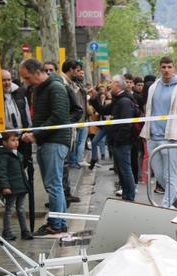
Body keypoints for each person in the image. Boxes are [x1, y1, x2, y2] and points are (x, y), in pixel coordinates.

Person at [18, 58, 70, 236]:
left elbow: (59, 118)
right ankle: (59, 222)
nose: (26, 82)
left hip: (54, 142)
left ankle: (56, 224)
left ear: (38, 73)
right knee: (54, 185)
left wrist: (35, 134)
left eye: (27, 78)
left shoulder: (55, 88)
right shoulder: (40, 89)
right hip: (47, 141)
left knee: (53, 184)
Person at [140, 57, 177, 208]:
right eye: (163, 67)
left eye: (169, 67)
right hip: (152, 137)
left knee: (171, 176)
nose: (166, 70)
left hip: (171, 139)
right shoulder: (153, 87)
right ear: (159, 68)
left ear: (174, 68)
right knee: (160, 175)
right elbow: (149, 110)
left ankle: (166, 207)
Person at [90, 75, 139, 201]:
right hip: (117, 141)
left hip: (122, 143)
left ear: (117, 85)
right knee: (122, 171)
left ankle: (130, 196)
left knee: (125, 170)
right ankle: (126, 195)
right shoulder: (118, 99)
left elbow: (126, 124)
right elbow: (103, 110)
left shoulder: (124, 101)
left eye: (111, 83)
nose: (109, 85)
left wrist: (118, 140)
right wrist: (94, 98)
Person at [2, 69, 35, 232]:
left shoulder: (19, 93)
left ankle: (24, 229)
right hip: (6, 135)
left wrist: (29, 130)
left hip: (21, 135)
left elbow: (26, 113)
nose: (7, 83)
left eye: (8, 79)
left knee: (20, 166)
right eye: (3, 80)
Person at [0, 132, 32, 241]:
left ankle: (25, 231)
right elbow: (2, 172)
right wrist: (5, 186)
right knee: (9, 209)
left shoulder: (17, 154)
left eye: (17, 140)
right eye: (13, 140)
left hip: (20, 187)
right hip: (11, 188)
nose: (16, 142)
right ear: (4, 143)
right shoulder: (3, 156)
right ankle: (7, 231)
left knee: (21, 208)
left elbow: (21, 172)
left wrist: (26, 185)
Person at [61, 60, 87, 208]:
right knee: (63, 164)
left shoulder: (74, 85)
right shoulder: (63, 85)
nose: (80, 74)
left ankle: (67, 193)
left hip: (71, 129)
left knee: (65, 165)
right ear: (71, 70)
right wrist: (67, 123)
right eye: (78, 70)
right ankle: (64, 195)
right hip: (64, 131)